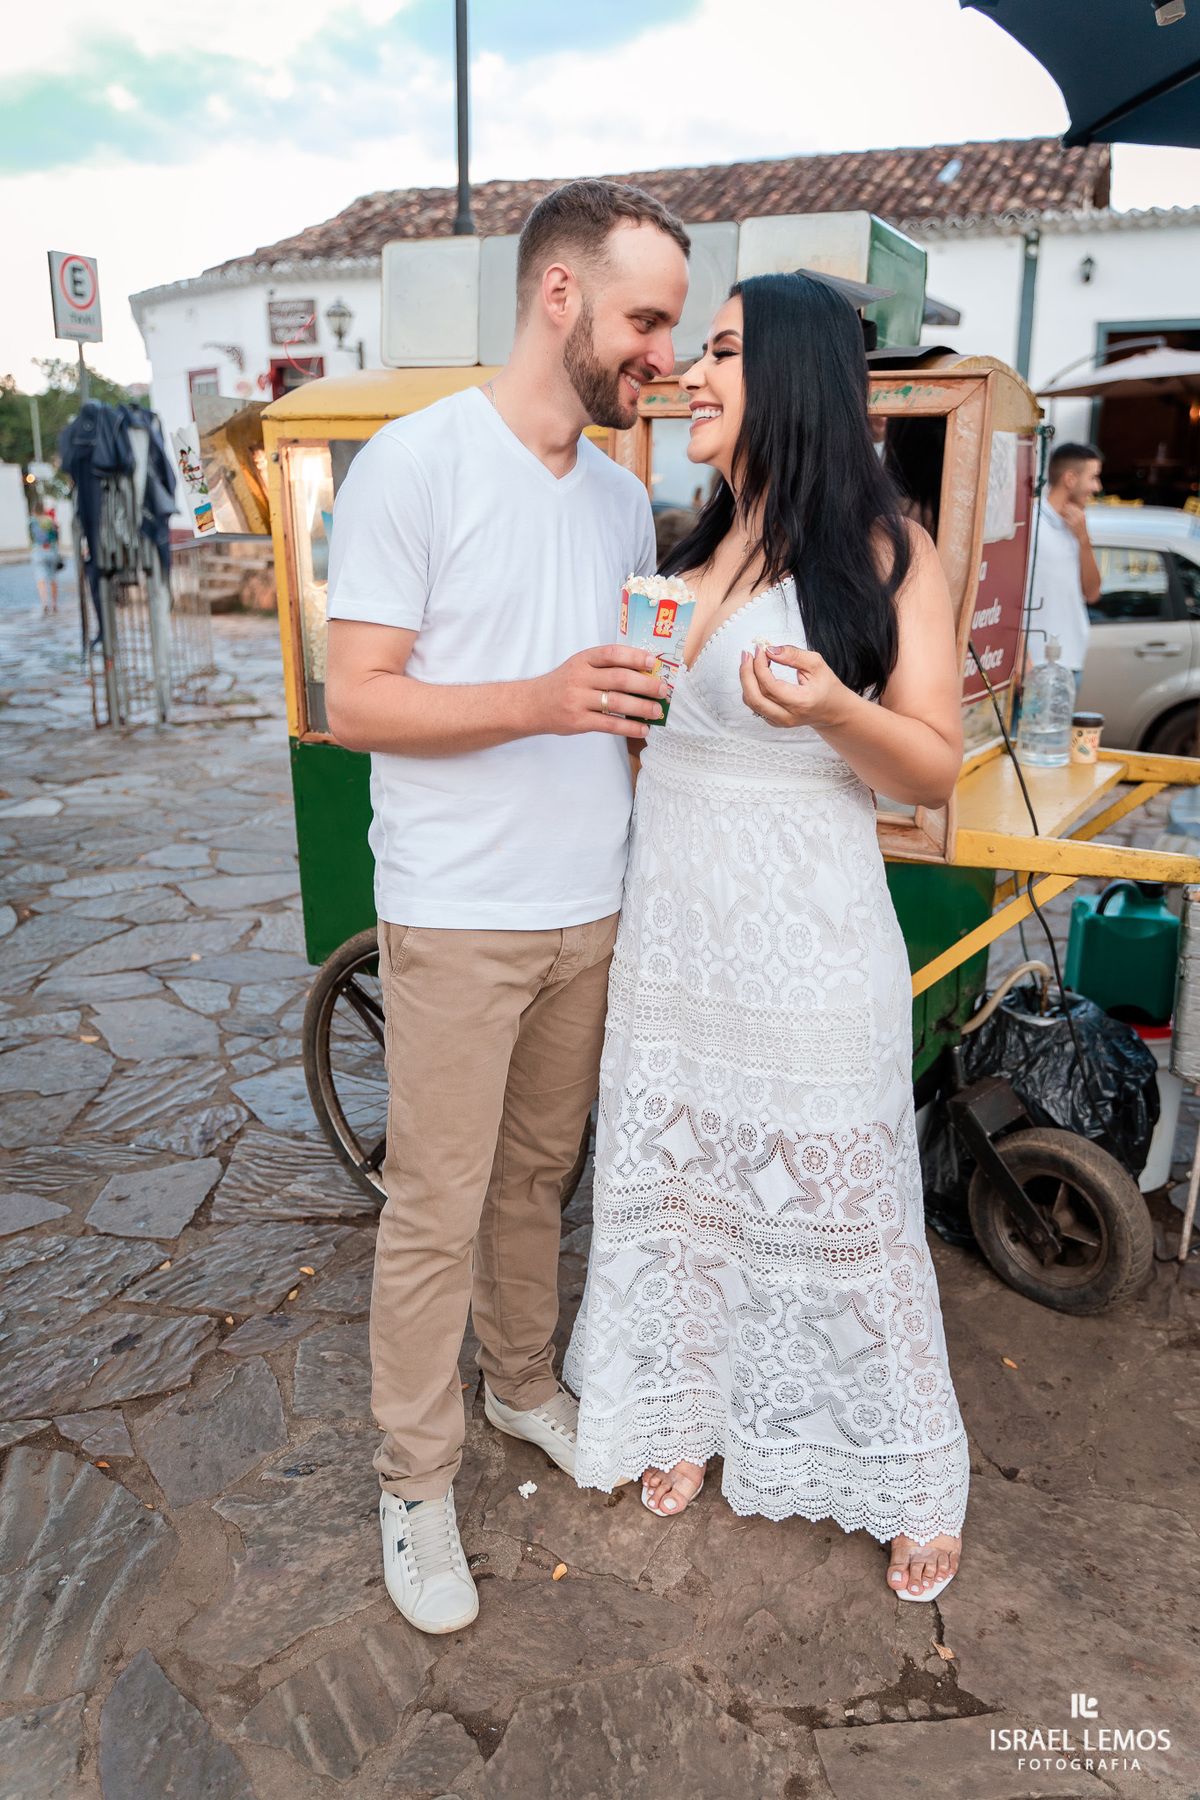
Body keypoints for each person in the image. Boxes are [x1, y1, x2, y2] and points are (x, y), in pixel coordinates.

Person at [566, 273, 970, 1603]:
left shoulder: (891, 550)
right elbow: (653, 747)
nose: (689, 368)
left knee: (844, 1214)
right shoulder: (689, 547)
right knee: (689, 1199)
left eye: (723, 349)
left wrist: (827, 715)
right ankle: (683, 1407)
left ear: (792, 375)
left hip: (806, 949)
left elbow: (929, 770)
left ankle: (907, 1470)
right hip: (679, 942)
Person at [323, 180, 690, 1635]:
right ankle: (415, 1482)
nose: (662, 353)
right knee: (437, 1204)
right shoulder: (412, 467)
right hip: (457, 911)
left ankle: (521, 1384)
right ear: (561, 297)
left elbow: (611, 692)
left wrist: (636, 720)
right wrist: (543, 699)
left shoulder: (618, 497)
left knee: (539, 1179)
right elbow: (355, 699)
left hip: (584, 905)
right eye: (646, 318)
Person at [1027, 442, 1104, 689]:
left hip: (1071, 662)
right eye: (1093, 477)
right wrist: (1022, 658)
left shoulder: (1076, 526)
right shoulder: (1031, 522)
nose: (1097, 487)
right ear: (1070, 478)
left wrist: (1083, 539)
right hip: (1036, 663)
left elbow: (1092, 593)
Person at [29, 507, 60, 615]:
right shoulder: (49, 520)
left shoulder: (32, 522)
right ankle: (55, 604)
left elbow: (31, 537)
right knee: (53, 579)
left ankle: (45, 603)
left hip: (38, 551)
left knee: (41, 579)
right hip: (52, 550)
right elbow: (56, 536)